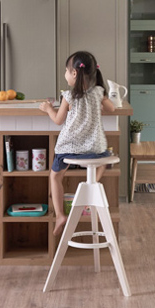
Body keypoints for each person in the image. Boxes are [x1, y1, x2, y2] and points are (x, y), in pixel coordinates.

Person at [40, 50, 116, 236]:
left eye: (66, 71)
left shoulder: (68, 96)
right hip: (96, 150)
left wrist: (48, 108)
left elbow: (58, 120)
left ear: (74, 73)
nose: (65, 75)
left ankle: (60, 215)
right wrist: (98, 106)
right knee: (105, 160)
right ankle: (91, 186)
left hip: (70, 149)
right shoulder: (99, 92)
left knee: (55, 176)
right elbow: (112, 108)